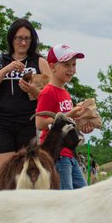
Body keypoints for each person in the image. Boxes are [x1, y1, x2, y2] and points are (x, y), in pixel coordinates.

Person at [0, 18, 52, 180]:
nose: (23, 42)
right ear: (12, 39)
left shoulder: (39, 62)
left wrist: (34, 90)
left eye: (27, 38)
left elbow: (53, 98)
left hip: (28, 123)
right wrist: (6, 69)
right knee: (2, 177)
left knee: (26, 177)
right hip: (1, 123)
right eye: (19, 38)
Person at [35, 44, 95, 190]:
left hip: (69, 153)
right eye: (66, 65)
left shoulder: (65, 93)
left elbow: (66, 124)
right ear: (52, 67)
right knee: (65, 198)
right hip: (57, 154)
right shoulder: (48, 92)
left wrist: (82, 124)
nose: (71, 70)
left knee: (83, 193)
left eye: (73, 65)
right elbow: (40, 122)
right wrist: (69, 115)